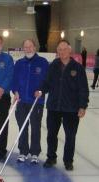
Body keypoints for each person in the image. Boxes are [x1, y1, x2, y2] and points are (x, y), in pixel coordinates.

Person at [42, 40, 89, 171]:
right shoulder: (53, 66)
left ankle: (68, 160)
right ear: (57, 51)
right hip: (54, 107)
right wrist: (40, 90)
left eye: (64, 49)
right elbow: (47, 83)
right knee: (51, 134)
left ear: (70, 50)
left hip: (71, 109)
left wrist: (82, 106)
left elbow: (83, 88)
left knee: (70, 136)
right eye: (59, 50)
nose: (62, 52)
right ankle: (51, 157)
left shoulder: (78, 67)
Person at [12, 39, 49, 164]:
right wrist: (15, 91)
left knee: (35, 128)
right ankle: (23, 151)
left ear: (35, 47)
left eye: (30, 46)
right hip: (21, 101)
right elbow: (14, 80)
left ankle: (34, 152)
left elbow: (47, 82)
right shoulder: (19, 63)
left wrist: (41, 91)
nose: (28, 49)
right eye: (25, 47)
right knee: (22, 127)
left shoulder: (43, 63)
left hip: (36, 102)